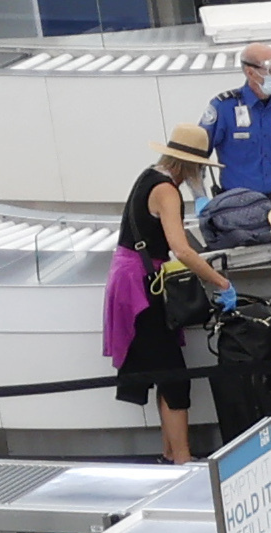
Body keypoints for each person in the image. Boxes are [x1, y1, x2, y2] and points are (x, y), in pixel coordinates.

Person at [111, 123, 219, 467]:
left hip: (133, 279)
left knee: (163, 368)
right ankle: (183, 461)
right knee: (174, 376)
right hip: (143, 287)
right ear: (192, 165)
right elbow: (181, 249)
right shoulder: (167, 191)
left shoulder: (149, 175)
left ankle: (171, 453)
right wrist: (220, 282)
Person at [204, 44, 271, 225]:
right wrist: (199, 196)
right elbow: (197, 155)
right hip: (238, 202)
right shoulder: (224, 107)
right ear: (251, 72)